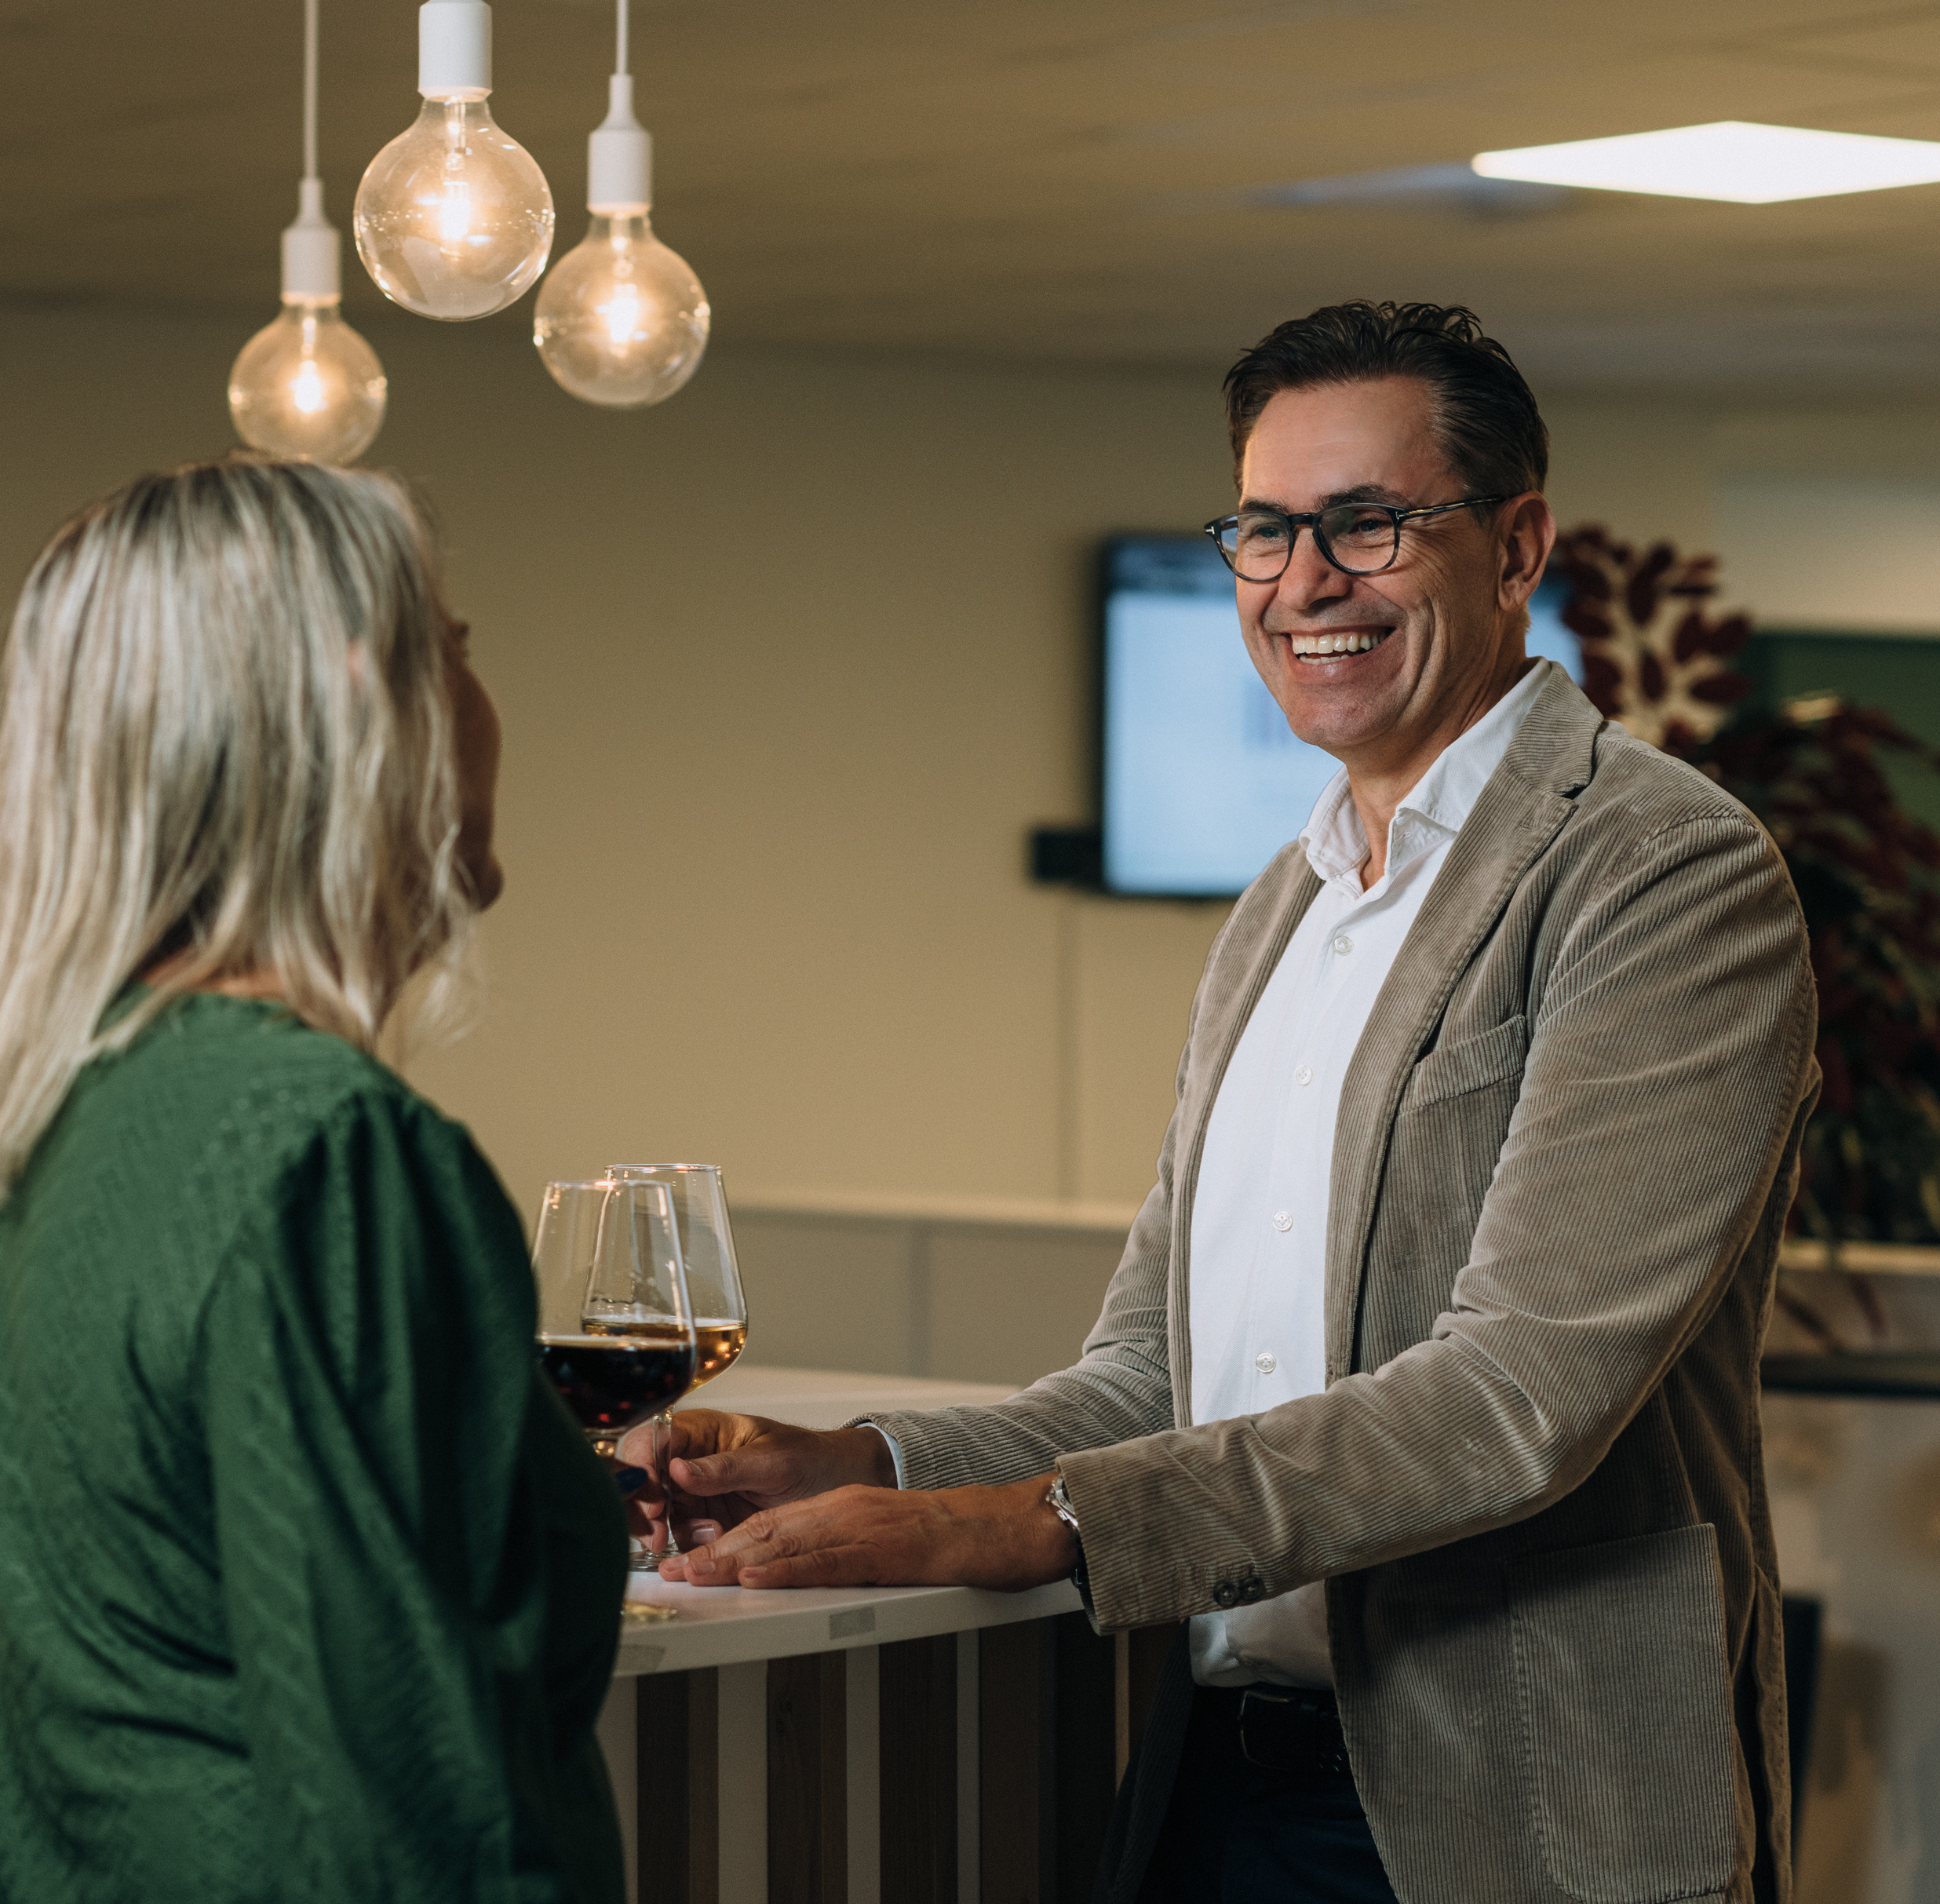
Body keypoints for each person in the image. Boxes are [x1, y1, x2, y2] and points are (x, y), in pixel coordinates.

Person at [635, 304, 1820, 1904]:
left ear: (1514, 540)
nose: (1302, 581)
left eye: (1367, 522)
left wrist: (1028, 1525)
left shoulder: (1660, 872)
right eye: (1263, 529)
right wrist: (857, 1463)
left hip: (1516, 1796)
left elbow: (1513, 1394)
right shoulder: (1283, 905)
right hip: (1218, 1771)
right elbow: (1152, 1376)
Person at [0, 457, 629, 1904]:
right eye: (453, 655)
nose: (479, 703)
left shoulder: (40, 1097)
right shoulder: (326, 1150)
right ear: (356, 705)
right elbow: (412, 1837)